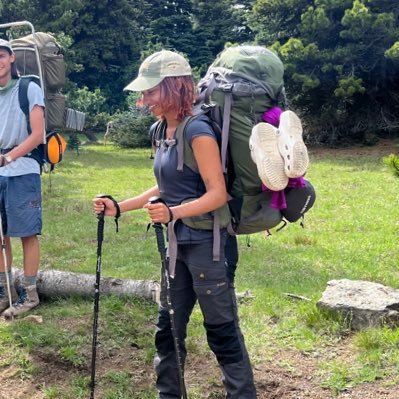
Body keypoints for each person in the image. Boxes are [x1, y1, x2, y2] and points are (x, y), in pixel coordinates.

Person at [93, 49, 257, 398]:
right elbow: (166, 186)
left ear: (173, 86)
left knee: (222, 332)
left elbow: (218, 193)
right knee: (167, 329)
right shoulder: (160, 129)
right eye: (144, 92)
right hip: (176, 245)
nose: (144, 99)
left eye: (151, 91)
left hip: (209, 247)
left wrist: (173, 213)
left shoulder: (197, 129)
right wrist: (120, 207)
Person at [0, 39, 45, 318]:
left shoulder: (28, 88)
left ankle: (29, 294)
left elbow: (37, 134)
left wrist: (8, 158)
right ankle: (5, 290)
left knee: (27, 233)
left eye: (1, 56)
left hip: (23, 169)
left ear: (11, 58)